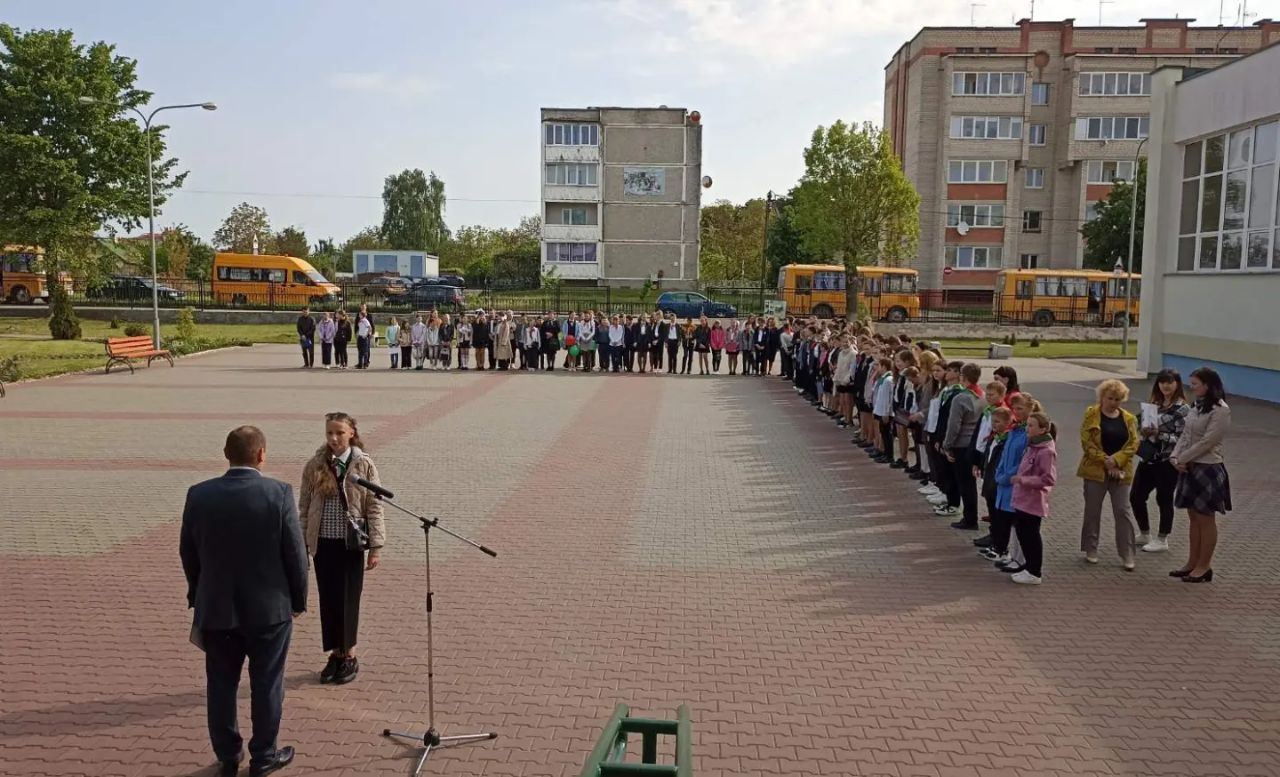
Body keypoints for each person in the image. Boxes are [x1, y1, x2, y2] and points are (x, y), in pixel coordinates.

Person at [180, 426, 306, 776]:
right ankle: (264, 755)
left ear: (225, 453)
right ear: (262, 454)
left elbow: (188, 553)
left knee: (220, 684)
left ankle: (227, 755)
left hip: (217, 608)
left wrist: (198, 593)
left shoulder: (199, 495)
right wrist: (298, 599)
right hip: (270, 610)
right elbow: (295, 554)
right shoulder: (278, 493)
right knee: (267, 683)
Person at [297, 412, 385, 686]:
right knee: (328, 599)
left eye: (339, 433)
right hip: (323, 542)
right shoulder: (315, 464)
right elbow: (304, 505)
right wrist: (302, 542)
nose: (333, 438)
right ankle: (334, 654)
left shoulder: (363, 464)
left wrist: (376, 546)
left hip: (351, 542)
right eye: (329, 433)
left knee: (348, 598)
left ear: (351, 434)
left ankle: (350, 654)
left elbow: (374, 504)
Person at [1169, 367, 1232, 583]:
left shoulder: (1220, 409)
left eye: (1195, 384)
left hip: (1208, 467)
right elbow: (1186, 434)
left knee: (1206, 518)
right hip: (1189, 466)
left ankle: (1204, 566)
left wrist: (1184, 457)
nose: (1192, 387)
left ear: (1207, 385)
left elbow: (1208, 441)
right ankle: (1192, 562)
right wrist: (1175, 457)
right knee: (1193, 517)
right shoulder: (1196, 407)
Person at [1078, 378, 1141, 570]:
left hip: (1121, 471)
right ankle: (1090, 548)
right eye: (1110, 398)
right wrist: (1106, 461)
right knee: (1092, 510)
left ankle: (1127, 553)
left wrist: (1117, 460)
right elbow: (1087, 443)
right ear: (1102, 397)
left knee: (1123, 511)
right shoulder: (1091, 415)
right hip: (1095, 470)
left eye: (1118, 399)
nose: (1114, 402)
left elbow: (1133, 444)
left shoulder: (1129, 418)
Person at [1131, 369, 1189, 553]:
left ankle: (1162, 538)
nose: (1165, 386)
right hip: (1148, 457)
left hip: (1167, 460)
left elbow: (1183, 438)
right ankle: (1144, 533)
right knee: (1136, 496)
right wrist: (1143, 429)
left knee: (1163, 498)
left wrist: (1160, 434)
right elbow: (1137, 422)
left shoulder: (1182, 408)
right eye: (1162, 382)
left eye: (1170, 382)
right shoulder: (1153, 404)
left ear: (1177, 384)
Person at [1008, 410, 1058, 585]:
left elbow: (1048, 478)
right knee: (1022, 532)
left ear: (1043, 429)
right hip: (1022, 498)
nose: (1027, 428)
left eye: (1031, 426)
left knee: (1031, 535)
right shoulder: (1032, 445)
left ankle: (1034, 571)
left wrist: (1023, 480)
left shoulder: (1045, 451)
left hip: (1033, 499)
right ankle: (1028, 566)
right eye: (1027, 424)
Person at [942, 363, 984, 530]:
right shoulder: (981, 395)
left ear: (962, 377)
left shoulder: (960, 397)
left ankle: (970, 518)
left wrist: (947, 444)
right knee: (970, 483)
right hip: (975, 443)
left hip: (961, 443)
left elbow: (954, 425)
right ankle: (970, 515)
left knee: (965, 483)